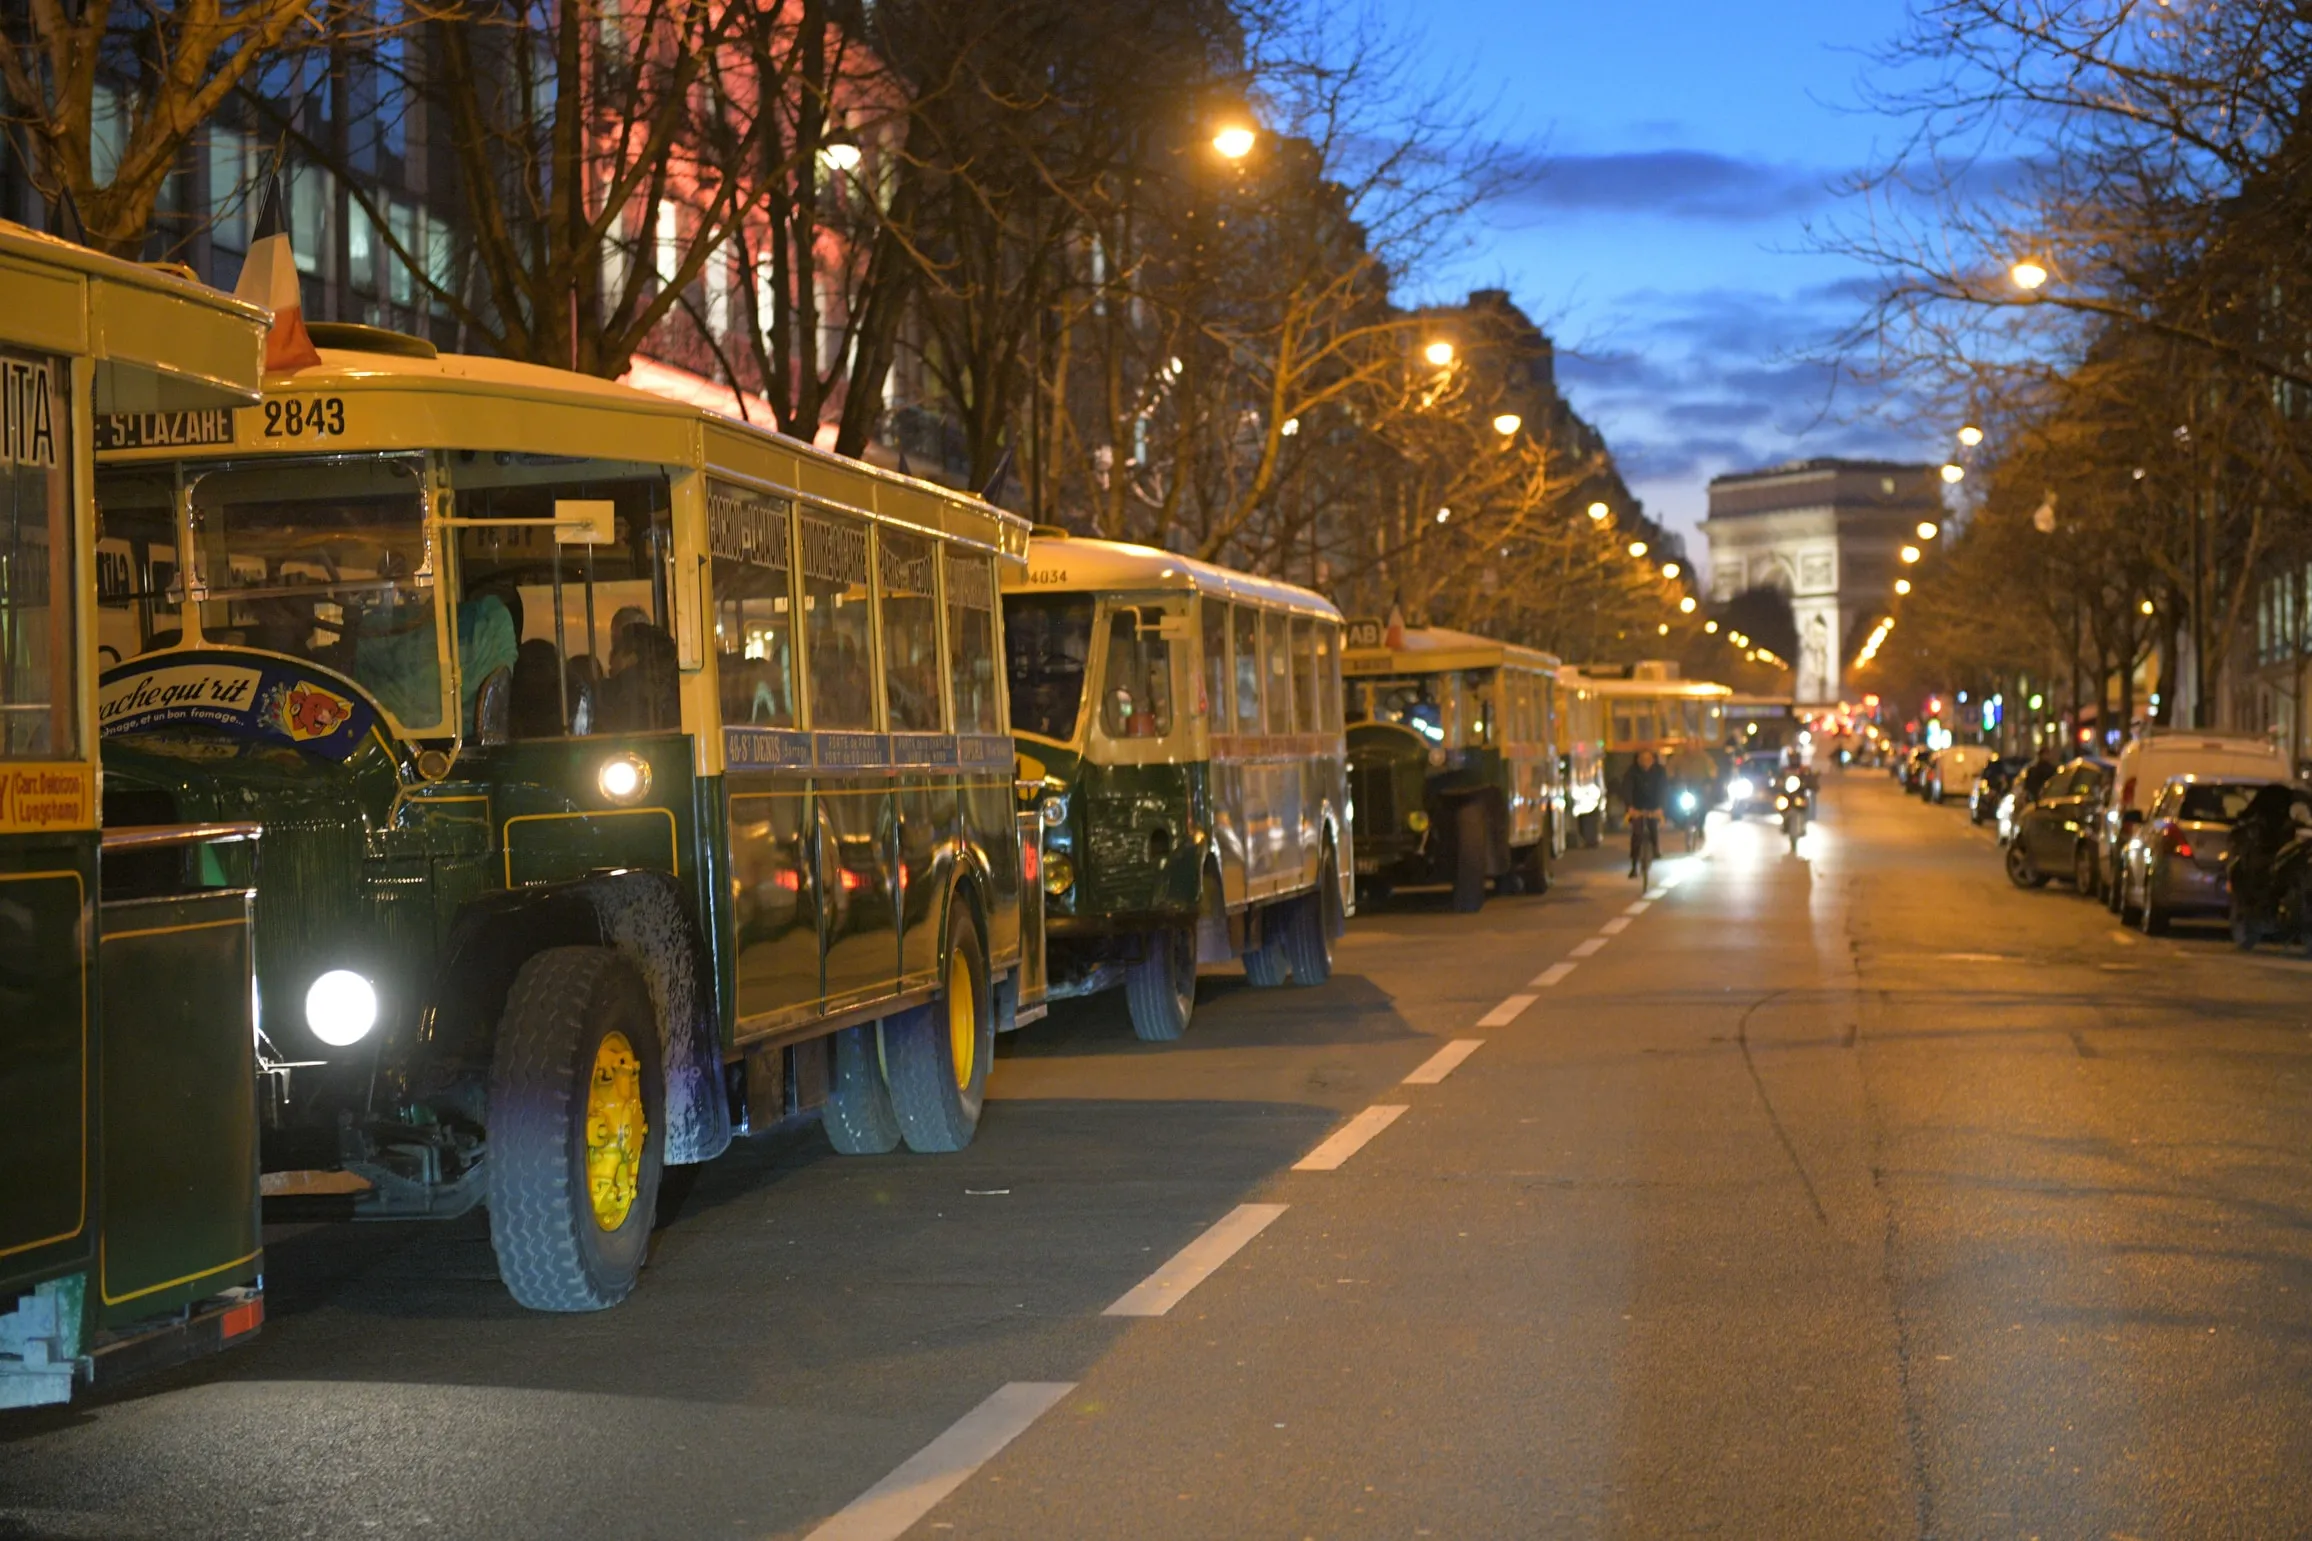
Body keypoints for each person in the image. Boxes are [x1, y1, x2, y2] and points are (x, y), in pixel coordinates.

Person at [1623, 747, 1668, 877]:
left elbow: (1663, 790)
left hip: (1654, 806)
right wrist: (1630, 807)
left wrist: (1660, 807)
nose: (1645, 762)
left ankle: (1655, 849)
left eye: (1648, 759)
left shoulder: (1660, 772)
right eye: (1642, 759)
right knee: (1637, 834)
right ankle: (1634, 865)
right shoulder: (1631, 772)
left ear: (1653, 760)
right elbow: (1627, 788)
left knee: (1653, 827)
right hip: (1637, 806)